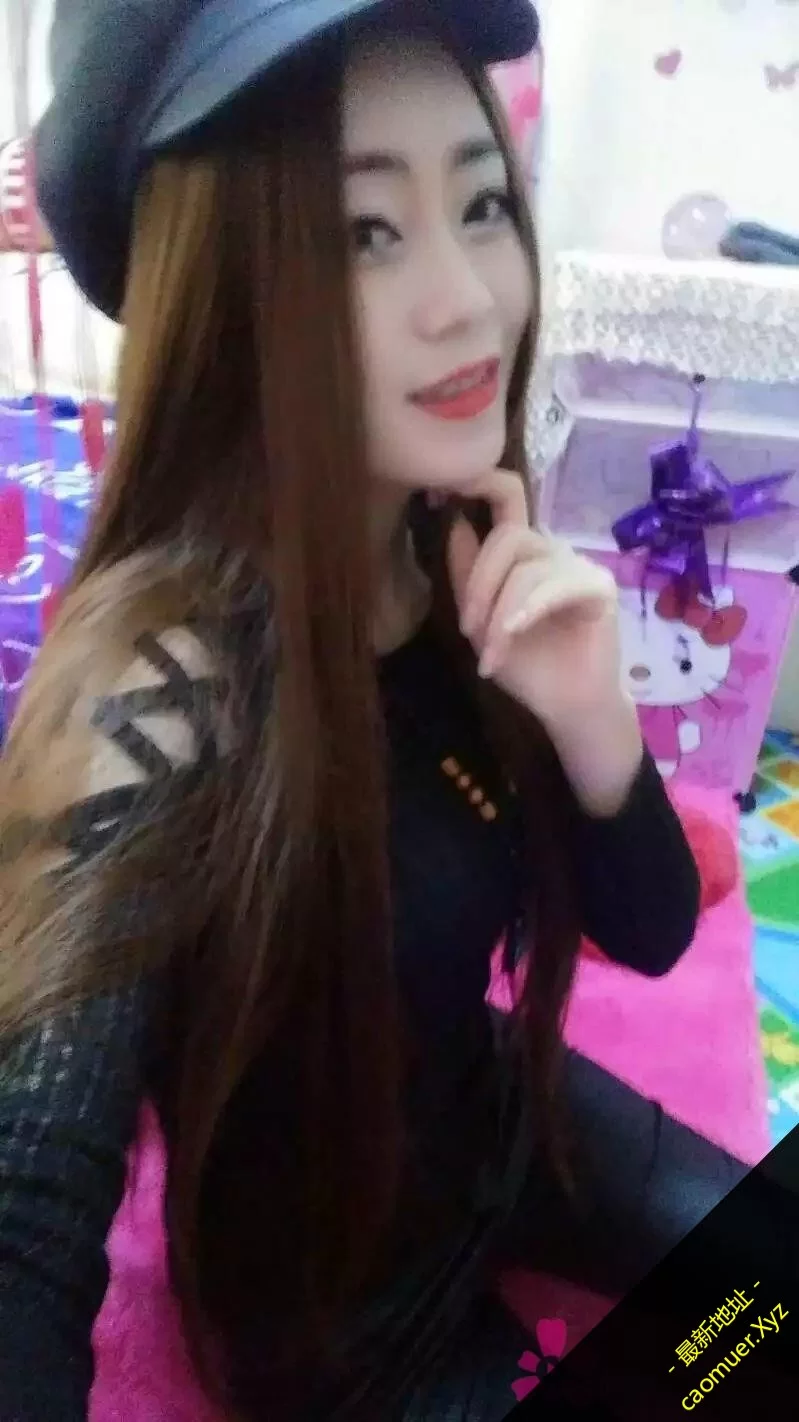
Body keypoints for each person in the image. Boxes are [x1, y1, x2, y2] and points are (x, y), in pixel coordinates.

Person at [0, 3, 746, 1419]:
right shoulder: (149, 686)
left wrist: (592, 719)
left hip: (502, 1127)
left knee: (756, 1312)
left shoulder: (453, 547)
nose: (467, 299)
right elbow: (26, 1207)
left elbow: (652, 929)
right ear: (227, 289)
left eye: (480, 203)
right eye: (365, 233)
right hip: (347, 1320)